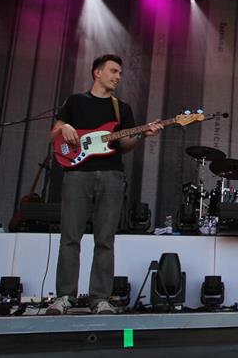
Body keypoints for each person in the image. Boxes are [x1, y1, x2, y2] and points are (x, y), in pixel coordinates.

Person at [46, 54, 162, 315]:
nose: (117, 76)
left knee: (105, 239)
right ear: (97, 73)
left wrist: (143, 134)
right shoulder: (74, 102)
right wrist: (63, 129)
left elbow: (125, 145)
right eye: (113, 71)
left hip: (111, 175)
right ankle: (65, 296)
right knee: (70, 238)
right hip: (77, 175)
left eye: (120, 72)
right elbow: (54, 133)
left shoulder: (122, 108)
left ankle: (99, 298)